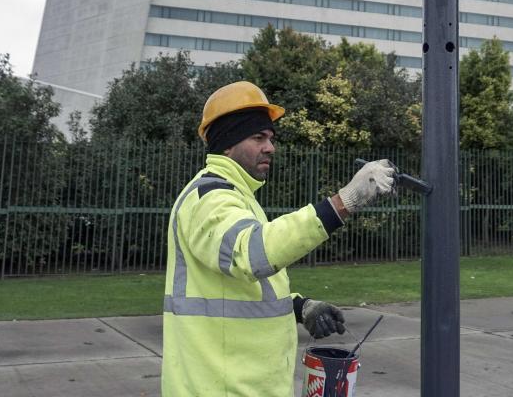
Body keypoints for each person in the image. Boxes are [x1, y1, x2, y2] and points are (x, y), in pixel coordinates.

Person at [162, 80, 396, 397]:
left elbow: (239, 285)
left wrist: (299, 307)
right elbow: (253, 253)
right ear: (227, 144)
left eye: (270, 137)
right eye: (258, 137)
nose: (270, 147)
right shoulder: (209, 198)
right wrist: (343, 203)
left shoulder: (236, 197)